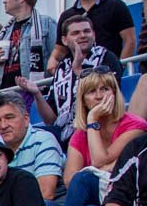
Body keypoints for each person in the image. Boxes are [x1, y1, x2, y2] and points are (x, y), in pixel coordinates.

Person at [58, 71, 147, 206]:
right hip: (96, 200)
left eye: (105, 89)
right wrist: (103, 168)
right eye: (91, 92)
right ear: (83, 100)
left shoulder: (135, 125)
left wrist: (92, 121)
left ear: (115, 93)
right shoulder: (80, 134)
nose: (99, 96)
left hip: (125, 196)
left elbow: (99, 159)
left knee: (85, 177)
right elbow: (69, 179)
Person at [31, 14, 122, 142]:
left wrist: (78, 71)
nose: (82, 35)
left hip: (96, 127)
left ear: (94, 35)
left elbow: (110, 99)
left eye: (87, 31)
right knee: (33, 137)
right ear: (64, 40)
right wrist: (36, 94)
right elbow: (51, 120)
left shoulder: (107, 58)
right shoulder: (62, 68)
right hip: (65, 134)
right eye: (76, 33)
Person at [0, 88, 65, 203]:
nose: (3, 126)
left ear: (26, 119)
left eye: (9, 117)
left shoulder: (43, 140)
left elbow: (46, 193)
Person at [0, 0, 56, 97]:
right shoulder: (5, 31)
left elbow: (56, 56)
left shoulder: (45, 23)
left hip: (34, 92)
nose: (4, 1)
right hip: (5, 92)